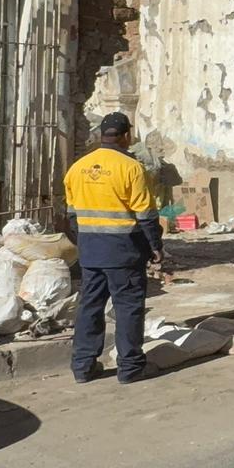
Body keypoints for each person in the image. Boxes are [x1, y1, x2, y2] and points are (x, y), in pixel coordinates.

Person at [65, 112, 161, 384]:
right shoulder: (131, 168)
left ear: (101, 135)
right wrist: (156, 247)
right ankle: (130, 368)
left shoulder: (78, 167)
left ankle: (82, 367)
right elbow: (146, 216)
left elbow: (72, 215)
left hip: (91, 252)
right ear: (127, 135)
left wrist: (87, 240)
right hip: (124, 252)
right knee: (128, 308)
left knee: (89, 308)